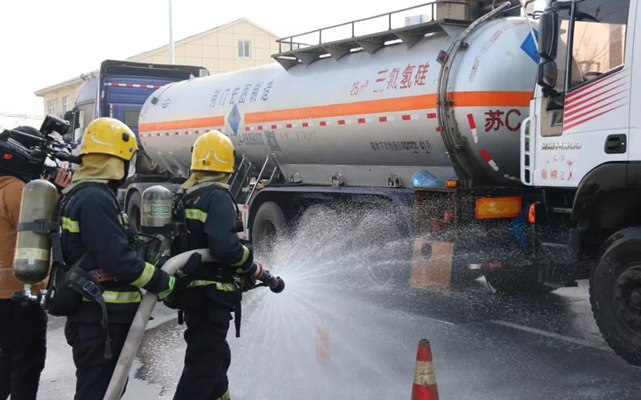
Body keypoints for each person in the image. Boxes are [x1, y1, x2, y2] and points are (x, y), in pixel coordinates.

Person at [59, 117, 174, 400]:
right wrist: (162, 281)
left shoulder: (84, 194)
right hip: (100, 317)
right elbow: (116, 259)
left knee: (105, 388)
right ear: (116, 160)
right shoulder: (94, 198)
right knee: (99, 391)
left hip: (95, 315)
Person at [171, 130, 259, 400]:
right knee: (202, 370)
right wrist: (250, 263)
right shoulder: (218, 196)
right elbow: (225, 247)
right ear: (227, 164)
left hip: (193, 293)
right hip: (212, 296)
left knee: (217, 360)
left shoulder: (187, 194)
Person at [0, 125, 72, 400]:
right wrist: (56, 192)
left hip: (5, 294)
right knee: (27, 363)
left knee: (7, 359)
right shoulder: (17, 190)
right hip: (20, 292)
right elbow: (40, 226)